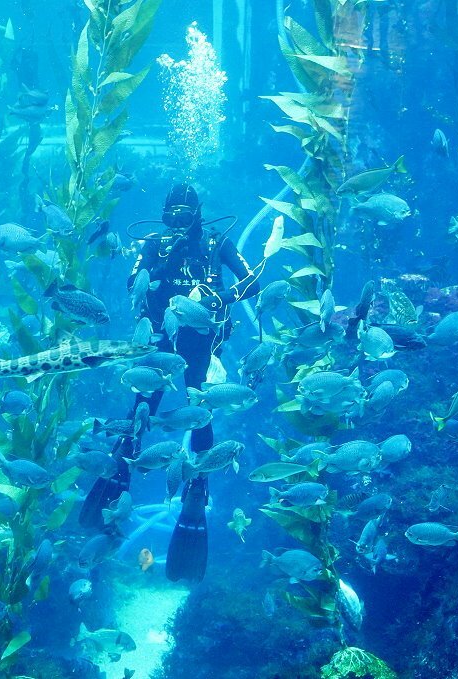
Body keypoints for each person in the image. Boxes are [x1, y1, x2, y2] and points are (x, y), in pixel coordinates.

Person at [79, 183, 260, 582]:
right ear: (163, 216)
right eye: (171, 216)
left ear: (198, 215)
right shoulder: (153, 244)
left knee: (199, 410)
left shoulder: (216, 243)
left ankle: (197, 486)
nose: (177, 224)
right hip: (161, 341)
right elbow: (133, 285)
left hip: (201, 341)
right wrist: (163, 266)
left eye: (185, 216)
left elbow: (252, 282)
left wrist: (219, 299)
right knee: (143, 406)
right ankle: (123, 465)